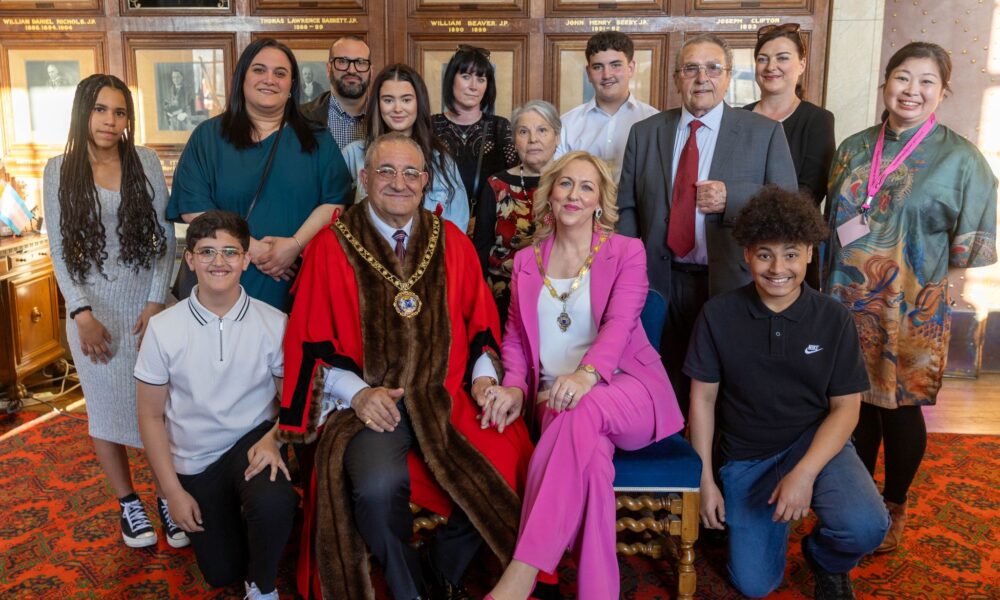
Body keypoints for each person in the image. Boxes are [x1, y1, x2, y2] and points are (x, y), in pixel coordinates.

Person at [277, 132, 534, 600]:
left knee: (511, 461)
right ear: (365, 177)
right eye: (387, 171)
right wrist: (358, 393)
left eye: (410, 173)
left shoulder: (451, 241)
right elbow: (309, 343)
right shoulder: (333, 246)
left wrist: (482, 379)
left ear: (426, 181)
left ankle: (442, 566)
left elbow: (481, 324)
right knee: (377, 490)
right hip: (371, 406)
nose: (399, 183)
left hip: (448, 394)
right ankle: (408, 588)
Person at [485, 151, 684, 600]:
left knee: (583, 407)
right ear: (549, 195)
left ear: (600, 201)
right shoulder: (524, 262)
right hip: (555, 400)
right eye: (565, 184)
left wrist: (585, 375)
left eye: (586, 187)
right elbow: (515, 338)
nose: (574, 194)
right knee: (591, 467)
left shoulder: (625, 252)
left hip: (625, 388)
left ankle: (521, 573)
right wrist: (516, 387)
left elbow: (620, 324)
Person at [825, 41, 997, 554]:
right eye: (903, 77)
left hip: (912, 307)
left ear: (942, 92)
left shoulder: (963, 158)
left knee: (899, 408)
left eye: (926, 81)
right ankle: (853, 501)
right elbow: (830, 225)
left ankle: (894, 503)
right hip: (842, 304)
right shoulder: (853, 148)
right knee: (851, 404)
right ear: (886, 83)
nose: (912, 90)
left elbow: (969, 248)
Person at [687, 187, 888, 599]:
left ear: (810, 254)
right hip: (747, 457)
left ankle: (825, 558)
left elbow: (846, 409)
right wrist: (704, 480)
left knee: (866, 527)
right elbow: (702, 401)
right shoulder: (718, 314)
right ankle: (760, 524)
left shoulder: (833, 317)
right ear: (747, 255)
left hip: (817, 447)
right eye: (765, 254)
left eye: (792, 254)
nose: (779, 267)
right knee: (755, 585)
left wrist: (805, 472)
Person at [617, 33, 797, 414]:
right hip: (659, 283)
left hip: (730, 282)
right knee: (660, 382)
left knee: (725, 386)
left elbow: (787, 206)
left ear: (729, 77)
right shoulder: (646, 133)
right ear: (676, 78)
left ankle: (717, 466)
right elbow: (628, 209)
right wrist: (629, 274)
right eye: (691, 69)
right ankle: (668, 461)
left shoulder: (763, 132)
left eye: (713, 68)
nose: (702, 78)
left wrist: (732, 198)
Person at [43, 74, 179, 550]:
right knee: (105, 412)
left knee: (162, 410)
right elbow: (59, 249)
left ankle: (168, 495)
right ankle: (129, 504)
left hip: (147, 307)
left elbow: (164, 242)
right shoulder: (59, 169)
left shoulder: (142, 159)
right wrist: (80, 313)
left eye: (119, 112)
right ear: (84, 112)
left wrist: (156, 301)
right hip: (94, 313)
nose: (110, 120)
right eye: (101, 110)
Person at [136, 211, 296, 600]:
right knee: (221, 571)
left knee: (274, 502)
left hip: (253, 443)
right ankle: (236, 527)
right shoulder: (163, 328)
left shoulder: (273, 322)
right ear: (189, 259)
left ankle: (262, 586)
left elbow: (291, 401)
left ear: (245, 259)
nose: (218, 262)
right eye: (207, 252)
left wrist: (276, 439)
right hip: (196, 459)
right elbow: (150, 415)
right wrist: (172, 492)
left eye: (230, 252)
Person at [168, 38, 352, 312]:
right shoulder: (208, 136)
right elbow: (194, 208)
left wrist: (294, 245)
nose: (270, 79)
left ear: (292, 86)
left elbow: (336, 201)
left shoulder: (317, 140)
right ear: (242, 77)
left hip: (292, 281)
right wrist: (250, 248)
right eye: (259, 70)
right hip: (220, 278)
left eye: (280, 73)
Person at [744, 23, 834, 288]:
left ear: (802, 64)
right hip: (738, 246)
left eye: (782, 58)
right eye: (763, 59)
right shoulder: (737, 118)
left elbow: (808, 193)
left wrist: (735, 198)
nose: (771, 66)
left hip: (792, 250)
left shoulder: (817, 120)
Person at [341, 64, 469, 231]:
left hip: (430, 255)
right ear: (377, 104)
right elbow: (336, 217)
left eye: (406, 100)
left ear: (419, 103)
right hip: (367, 253)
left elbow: (457, 229)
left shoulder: (442, 161)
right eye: (388, 100)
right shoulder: (353, 155)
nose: (398, 109)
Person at [472, 100, 560, 326]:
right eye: (524, 131)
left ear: (557, 137)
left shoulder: (570, 183)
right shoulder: (496, 185)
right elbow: (481, 248)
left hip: (558, 294)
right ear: (514, 140)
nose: (533, 139)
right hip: (502, 295)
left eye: (542, 130)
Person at [555, 31, 659, 180]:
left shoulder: (654, 121)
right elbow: (559, 180)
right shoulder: (567, 124)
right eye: (598, 67)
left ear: (631, 68)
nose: (606, 75)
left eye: (615, 65)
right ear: (589, 73)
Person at [432, 45, 518, 215]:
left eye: (481, 79)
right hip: (441, 225)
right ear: (451, 79)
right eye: (466, 77)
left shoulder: (499, 127)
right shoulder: (431, 126)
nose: (474, 86)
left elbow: (515, 179)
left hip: (488, 225)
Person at [301, 35, 371, 149]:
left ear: (370, 71)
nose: (352, 70)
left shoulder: (387, 117)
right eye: (343, 61)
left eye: (360, 62)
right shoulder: (300, 118)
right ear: (328, 69)